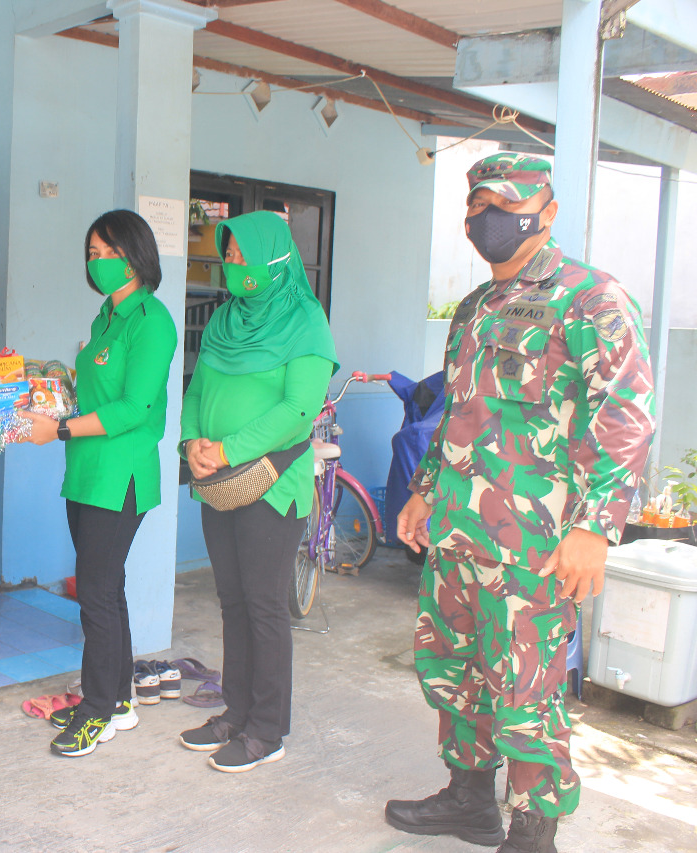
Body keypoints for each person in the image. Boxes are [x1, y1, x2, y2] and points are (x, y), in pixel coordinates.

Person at [385, 153, 655, 852]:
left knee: (526, 688)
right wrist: (422, 491)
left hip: (534, 543)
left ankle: (533, 831)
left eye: (506, 204)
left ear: (547, 211)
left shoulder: (591, 299)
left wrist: (595, 528)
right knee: (453, 668)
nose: (488, 218)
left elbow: (626, 415)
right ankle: (469, 799)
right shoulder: (475, 306)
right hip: (457, 529)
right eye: (478, 206)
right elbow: (455, 412)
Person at [175, 211, 338, 773]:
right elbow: (197, 389)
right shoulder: (225, 320)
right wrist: (192, 441)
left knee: (264, 606)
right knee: (232, 601)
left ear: (275, 256)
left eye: (244, 253)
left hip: (271, 485)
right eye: (229, 254)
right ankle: (236, 713)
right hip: (218, 482)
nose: (233, 263)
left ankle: (267, 730)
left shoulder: (306, 322)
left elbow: (298, 410)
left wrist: (227, 449)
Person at [23, 209, 178, 757]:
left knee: (93, 593)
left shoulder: (152, 321)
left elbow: (135, 408)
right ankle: (118, 700)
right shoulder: (105, 318)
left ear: (137, 255)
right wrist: (49, 393)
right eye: (93, 253)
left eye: (110, 251)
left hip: (121, 476)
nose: (100, 261)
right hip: (86, 472)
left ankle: (95, 713)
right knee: (106, 590)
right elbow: (91, 392)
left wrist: (59, 428)